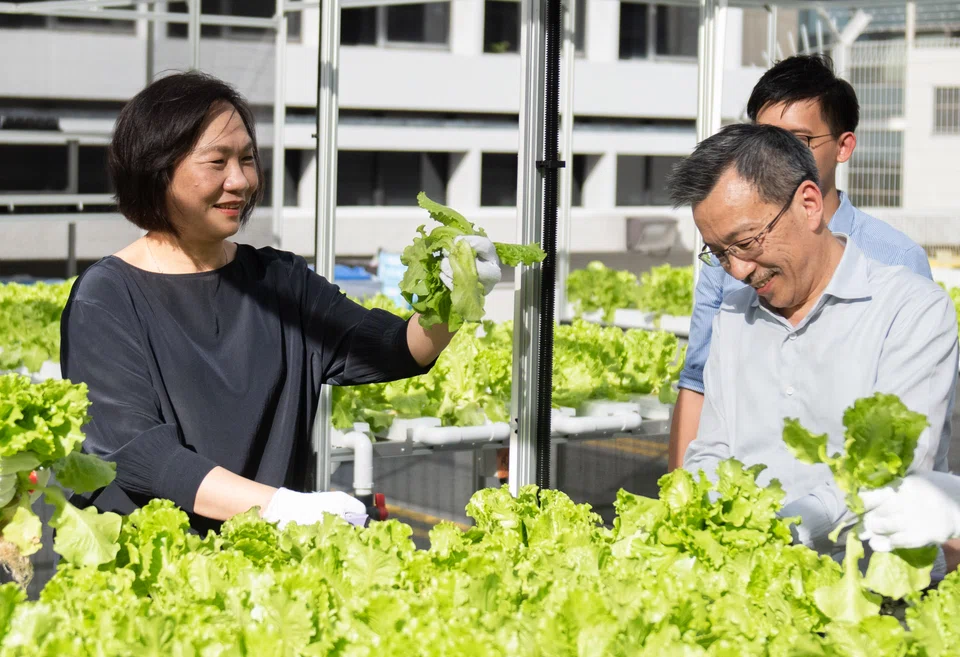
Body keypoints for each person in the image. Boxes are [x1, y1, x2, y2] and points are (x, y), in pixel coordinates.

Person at [60, 72, 500, 534]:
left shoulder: (280, 282)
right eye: (217, 162)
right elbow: (138, 453)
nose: (240, 180)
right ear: (157, 169)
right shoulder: (107, 297)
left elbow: (392, 348)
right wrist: (281, 507)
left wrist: (455, 296)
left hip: (263, 568)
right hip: (152, 569)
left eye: (247, 159)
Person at [670, 123, 957, 556]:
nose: (738, 269)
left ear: (808, 204)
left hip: (866, 596)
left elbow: (888, 474)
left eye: (746, 242)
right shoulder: (731, 316)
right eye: (719, 252)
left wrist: (777, 534)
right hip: (751, 579)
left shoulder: (909, 310)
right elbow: (712, 449)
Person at [668, 54, 933, 472]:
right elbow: (699, 382)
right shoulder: (730, 276)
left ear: (844, 146)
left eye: (798, 139)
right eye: (764, 137)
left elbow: (905, 444)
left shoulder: (897, 267)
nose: (739, 269)